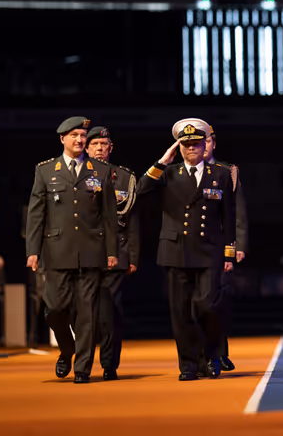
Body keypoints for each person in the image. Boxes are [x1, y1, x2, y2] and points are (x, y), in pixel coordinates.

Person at [134, 119, 236, 381]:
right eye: (186, 144)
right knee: (180, 311)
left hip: (209, 250)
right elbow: (140, 190)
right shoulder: (168, 173)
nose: (191, 148)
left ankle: (211, 355)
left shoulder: (221, 174)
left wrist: (229, 252)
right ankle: (189, 365)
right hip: (176, 249)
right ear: (179, 147)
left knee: (207, 305)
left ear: (205, 146)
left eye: (196, 144)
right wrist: (162, 161)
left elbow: (228, 216)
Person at [24, 116, 118, 384]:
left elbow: (109, 216)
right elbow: (36, 214)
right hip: (57, 251)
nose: (80, 140)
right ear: (62, 138)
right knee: (54, 309)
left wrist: (112, 251)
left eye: (83, 135)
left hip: (91, 251)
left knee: (87, 313)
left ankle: (82, 369)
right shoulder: (45, 171)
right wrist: (32, 250)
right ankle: (67, 349)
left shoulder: (100, 170)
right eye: (74, 135)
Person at [85, 125, 140, 382]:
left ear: (111, 148)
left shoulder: (125, 177)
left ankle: (108, 364)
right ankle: (81, 361)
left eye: (103, 144)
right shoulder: (75, 175)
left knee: (109, 311)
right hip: (83, 252)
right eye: (94, 144)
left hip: (116, 252)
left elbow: (133, 221)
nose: (99, 148)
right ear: (86, 148)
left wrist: (133, 256)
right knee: (84, 311)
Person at [204, 131, 248, 371]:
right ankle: (201, 354)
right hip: (193, 246)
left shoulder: (228, 171)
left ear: (214, 143)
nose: (203, 145)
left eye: (208, 140)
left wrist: (236, 245)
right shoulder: (182, 171)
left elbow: (237, 211)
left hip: (222, 245)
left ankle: (220, 352)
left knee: (219, 299)